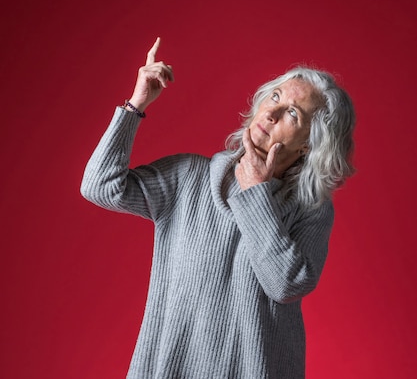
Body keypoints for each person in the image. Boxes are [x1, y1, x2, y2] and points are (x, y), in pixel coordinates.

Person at [81, 37, 355, 379]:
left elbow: (285, 284)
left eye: (292, 114)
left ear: (308, 145)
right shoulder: (189, 177)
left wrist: (256, 190)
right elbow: (100, 186)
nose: (271, 114)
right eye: (274, 97)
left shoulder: (310, 210)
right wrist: (136, 106)